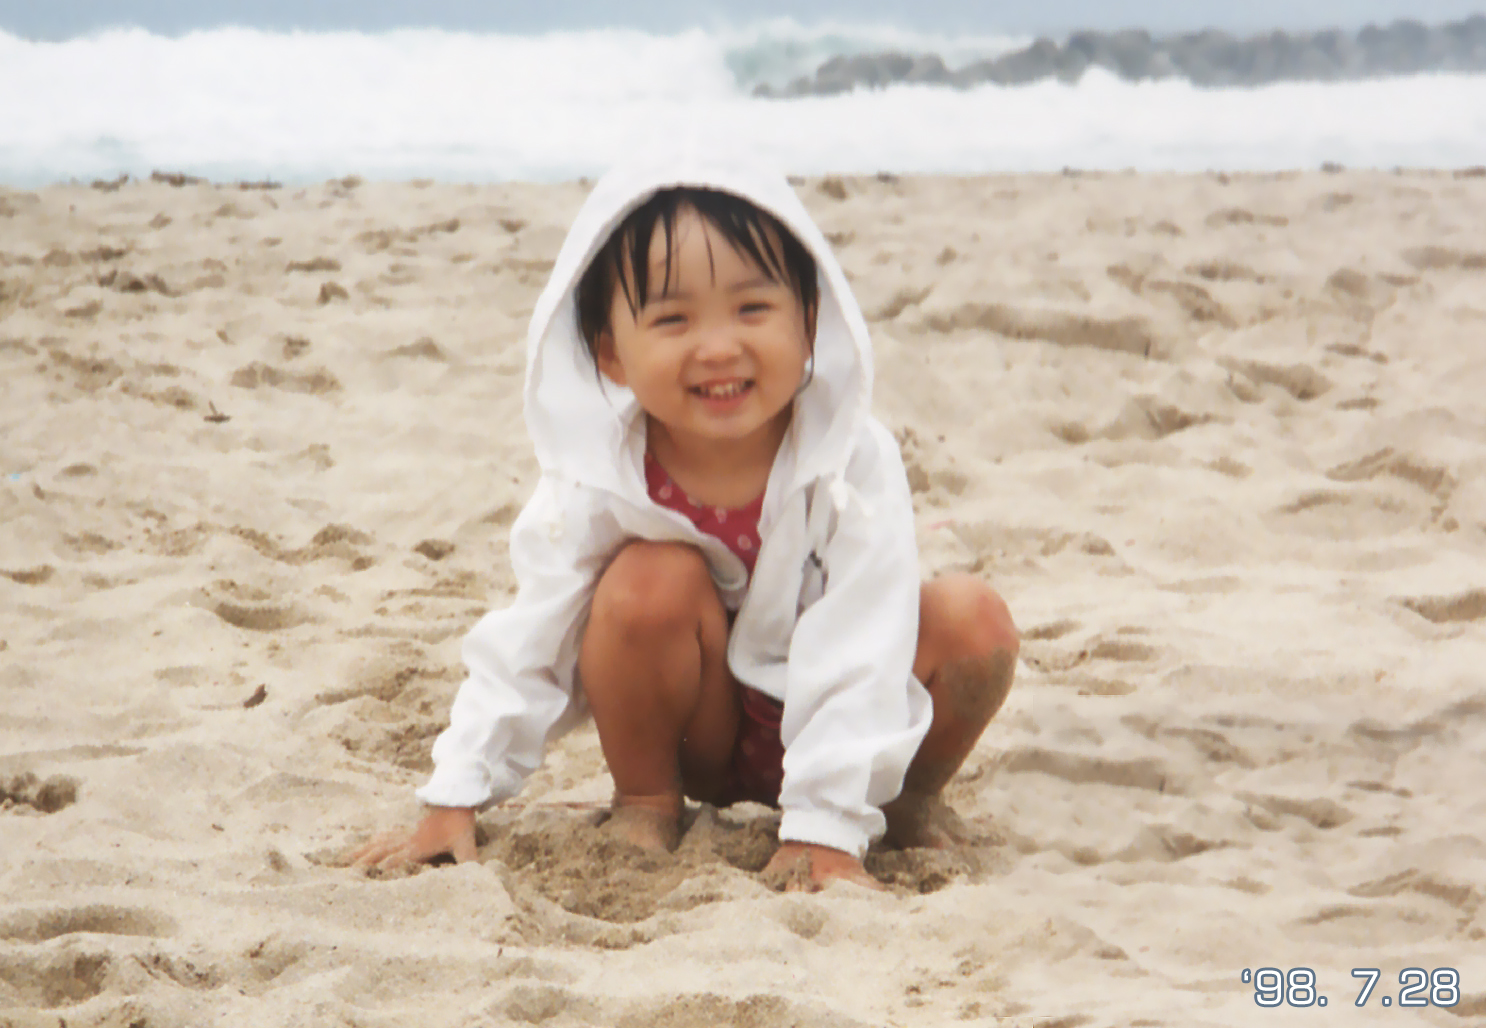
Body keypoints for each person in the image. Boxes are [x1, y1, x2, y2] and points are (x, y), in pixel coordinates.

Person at [352, 147, 1018, 892]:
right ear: (611, 353)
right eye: (672, 319)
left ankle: (901, 802)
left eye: (753, 309)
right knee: (647, 580)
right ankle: (646, 801)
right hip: (701, 731)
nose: (719, 347)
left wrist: (827, 825)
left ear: (810, 321)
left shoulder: (851, 459)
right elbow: (532, 633)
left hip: (847, 731)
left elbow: (865, 641)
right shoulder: (603, 472)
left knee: (975, 619)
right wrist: (456, 792)